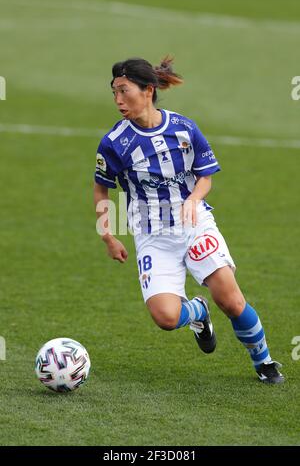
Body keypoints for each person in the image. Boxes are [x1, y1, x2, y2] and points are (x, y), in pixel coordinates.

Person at [94, 56, 284, 384]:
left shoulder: (184, 128)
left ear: (148, 90)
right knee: (166, 317)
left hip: (194, 225)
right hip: (153, 236)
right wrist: (108, 236)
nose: (118, 100)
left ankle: (264, 361)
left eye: (124, 91)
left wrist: (195, 199)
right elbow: (101, 190)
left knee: (231, 299)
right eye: (114, 93)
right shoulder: (114, 143)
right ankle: (197, 311)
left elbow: (205, 176)